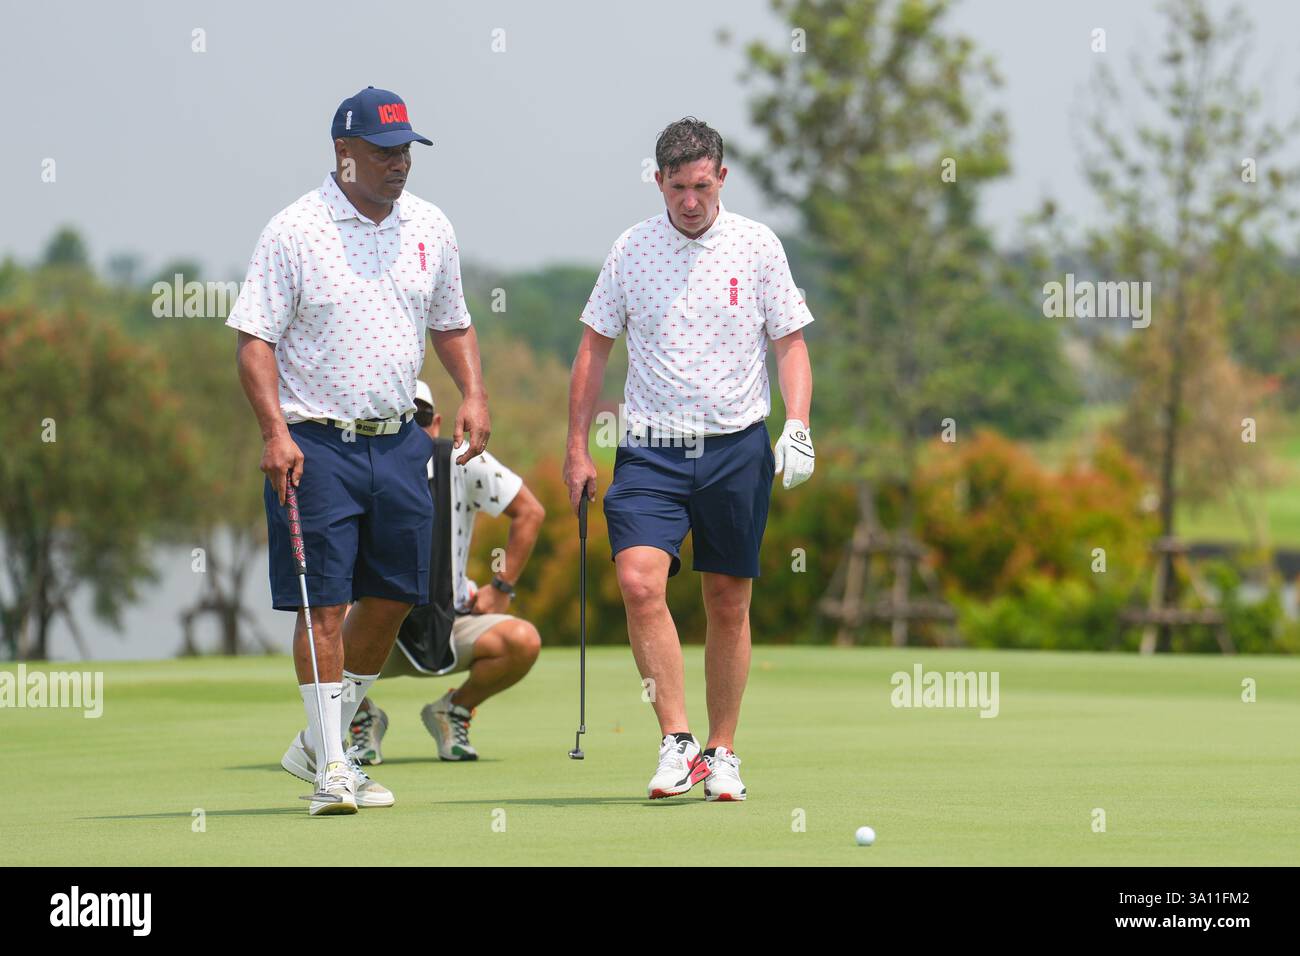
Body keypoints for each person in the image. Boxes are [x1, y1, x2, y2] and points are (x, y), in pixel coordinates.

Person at [226, 87, 491, 816]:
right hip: (314, 446)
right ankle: (334, 769)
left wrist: (472, 391)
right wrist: (273, 432)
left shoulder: (430, 227)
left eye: (405, 149)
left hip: (402, 442)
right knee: (323, 606)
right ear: (343, 154)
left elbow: (453, 324)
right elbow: (254, 342)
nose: (398, 163)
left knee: (396, 597)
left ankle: (323, 740)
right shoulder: (295, 230)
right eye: (383, 151)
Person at [563, 117, 816, 801]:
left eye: (702, 186)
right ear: (659, 182)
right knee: (642, 582)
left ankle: (721, 751)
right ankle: (675, 740)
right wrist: (577, 447)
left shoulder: (758, 247)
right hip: (650, 449)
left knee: (728, 599)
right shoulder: (631, 250)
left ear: (722, 178)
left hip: (737, 445)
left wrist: (797, 425)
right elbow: (594, 348)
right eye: (677, 187)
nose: (690, 201)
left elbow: (790, 343)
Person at [348, 380, 545, 764]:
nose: (411, 429)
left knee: (522, 641)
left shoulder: (461, 458)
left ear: (436, 423)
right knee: (312, 632)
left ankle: (452, 710)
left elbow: (529, 512)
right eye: (399, 419)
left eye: (418, 417)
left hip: (449, 624)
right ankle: (360, 719)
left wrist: (501, 586)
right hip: (368, 630)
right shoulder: (358, 462)